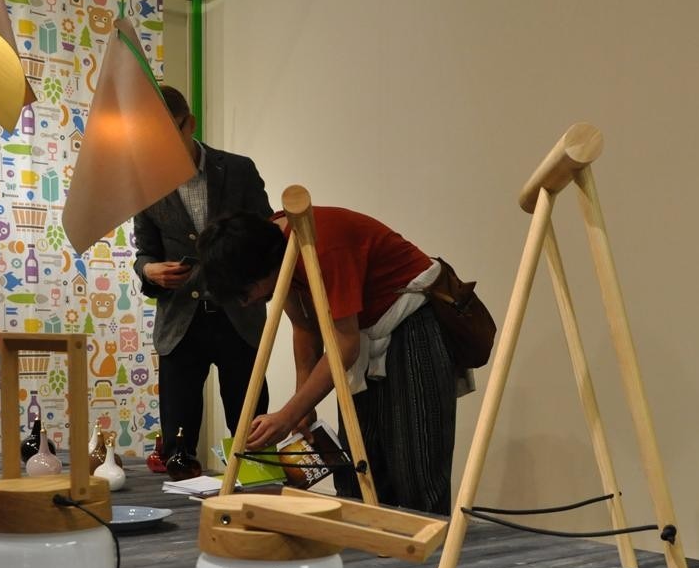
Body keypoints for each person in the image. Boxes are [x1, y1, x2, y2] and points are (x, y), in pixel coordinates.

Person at [196, 207, 458, 513]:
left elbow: (345, 346)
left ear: (259, 269)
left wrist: (288, 415)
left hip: (412, 325)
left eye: (245, 293)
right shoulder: (277, 249)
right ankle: (366, 538)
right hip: (363, 334)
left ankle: (431, 542)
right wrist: (303, 408)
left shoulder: (322, 243)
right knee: (362, 467)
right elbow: (305, 327)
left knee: (416, 465)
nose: (246, 302)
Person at [132, 86, 271, 461]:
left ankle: (256, 496)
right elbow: (144, 252)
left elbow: (268, 238)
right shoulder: (145, 182)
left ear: (189, 124)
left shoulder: (239, 171)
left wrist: (257, 284)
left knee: (253, 438)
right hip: (179, 324)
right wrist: (150, 270)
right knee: (177, 447)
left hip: (239, 317)